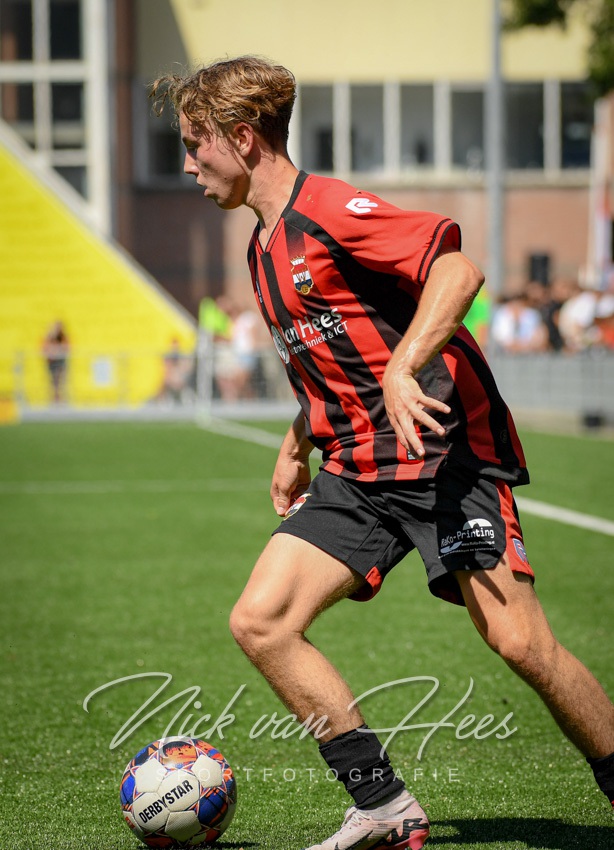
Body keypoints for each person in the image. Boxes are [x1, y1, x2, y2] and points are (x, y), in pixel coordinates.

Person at [150, 56, 614, 850]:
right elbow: (330, 361)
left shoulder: (330, 209)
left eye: (196, 145)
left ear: (243, 137)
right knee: (261, 621)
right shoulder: (262, 249)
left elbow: (458, 271)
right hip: (359, 468)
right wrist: (296, 442)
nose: (189, 164)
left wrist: (405, 368)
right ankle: (383, 804)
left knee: (520, 643)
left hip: (443, 455)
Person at [42, 320, 70, 403]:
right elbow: (44, 347)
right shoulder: (49, 337)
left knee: (62, 381)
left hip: (61, 362)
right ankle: (54, 398)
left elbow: (67, 347)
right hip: (52, 363)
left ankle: (62, 398)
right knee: (53, 381)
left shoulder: (63, 337)